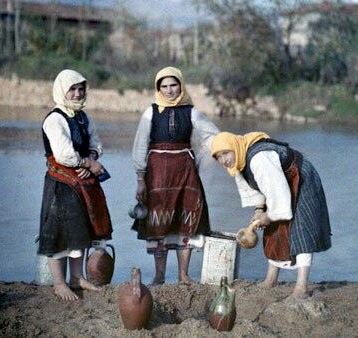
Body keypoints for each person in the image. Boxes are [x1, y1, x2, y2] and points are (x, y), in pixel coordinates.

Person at [211, 131, 331, 299]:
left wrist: (269, 216)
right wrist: (260, 210)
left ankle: (302, 287)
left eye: (225, 153)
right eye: (218, 157)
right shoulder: (238, 163)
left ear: (234, 147)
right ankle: (271, 279)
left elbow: (278, 192)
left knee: (301, 231)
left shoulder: (260, 158)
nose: (224, 160)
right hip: (279, 185)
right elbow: (253, 188)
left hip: (300, 178)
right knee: (274, 229)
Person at [132, 66, 219, 285]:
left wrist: (202, 160)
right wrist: (140, 178)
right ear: (158, 88)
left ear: (181, 85)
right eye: (164, 86)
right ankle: (159, 275)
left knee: (185, 219)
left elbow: (213, 136)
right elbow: (140, 146)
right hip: (157, 173)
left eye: (174, 85)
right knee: (158, 222)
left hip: (185, 172)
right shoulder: (150, 113)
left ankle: (183, 275)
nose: (170, 90)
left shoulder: (191, 112)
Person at [38, 69, 113, 301]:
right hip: (61, 181)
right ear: (62, 90)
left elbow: (97, 143)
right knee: (59, 232)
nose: (78, 93)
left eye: (81, 89)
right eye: (72, 89)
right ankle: (60, 283)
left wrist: (90, 159)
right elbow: (63, 155)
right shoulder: (55, 119)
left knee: (79, 229)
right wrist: (87, 163)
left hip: (82, 179)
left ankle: (77, 278)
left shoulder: (83, 117)